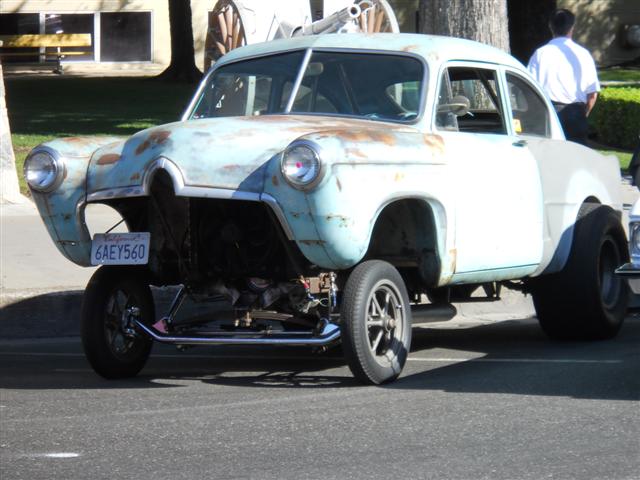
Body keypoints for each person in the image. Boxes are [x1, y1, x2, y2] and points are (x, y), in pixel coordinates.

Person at [528, 9, 600, 145]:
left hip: (548, 113)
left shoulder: (540, 54)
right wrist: (583, 114)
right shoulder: (584, 55)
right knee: (576, 161)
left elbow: (530, 89)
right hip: (576, 113)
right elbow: (592, 94)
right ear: (572, 27)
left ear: (550, 26)